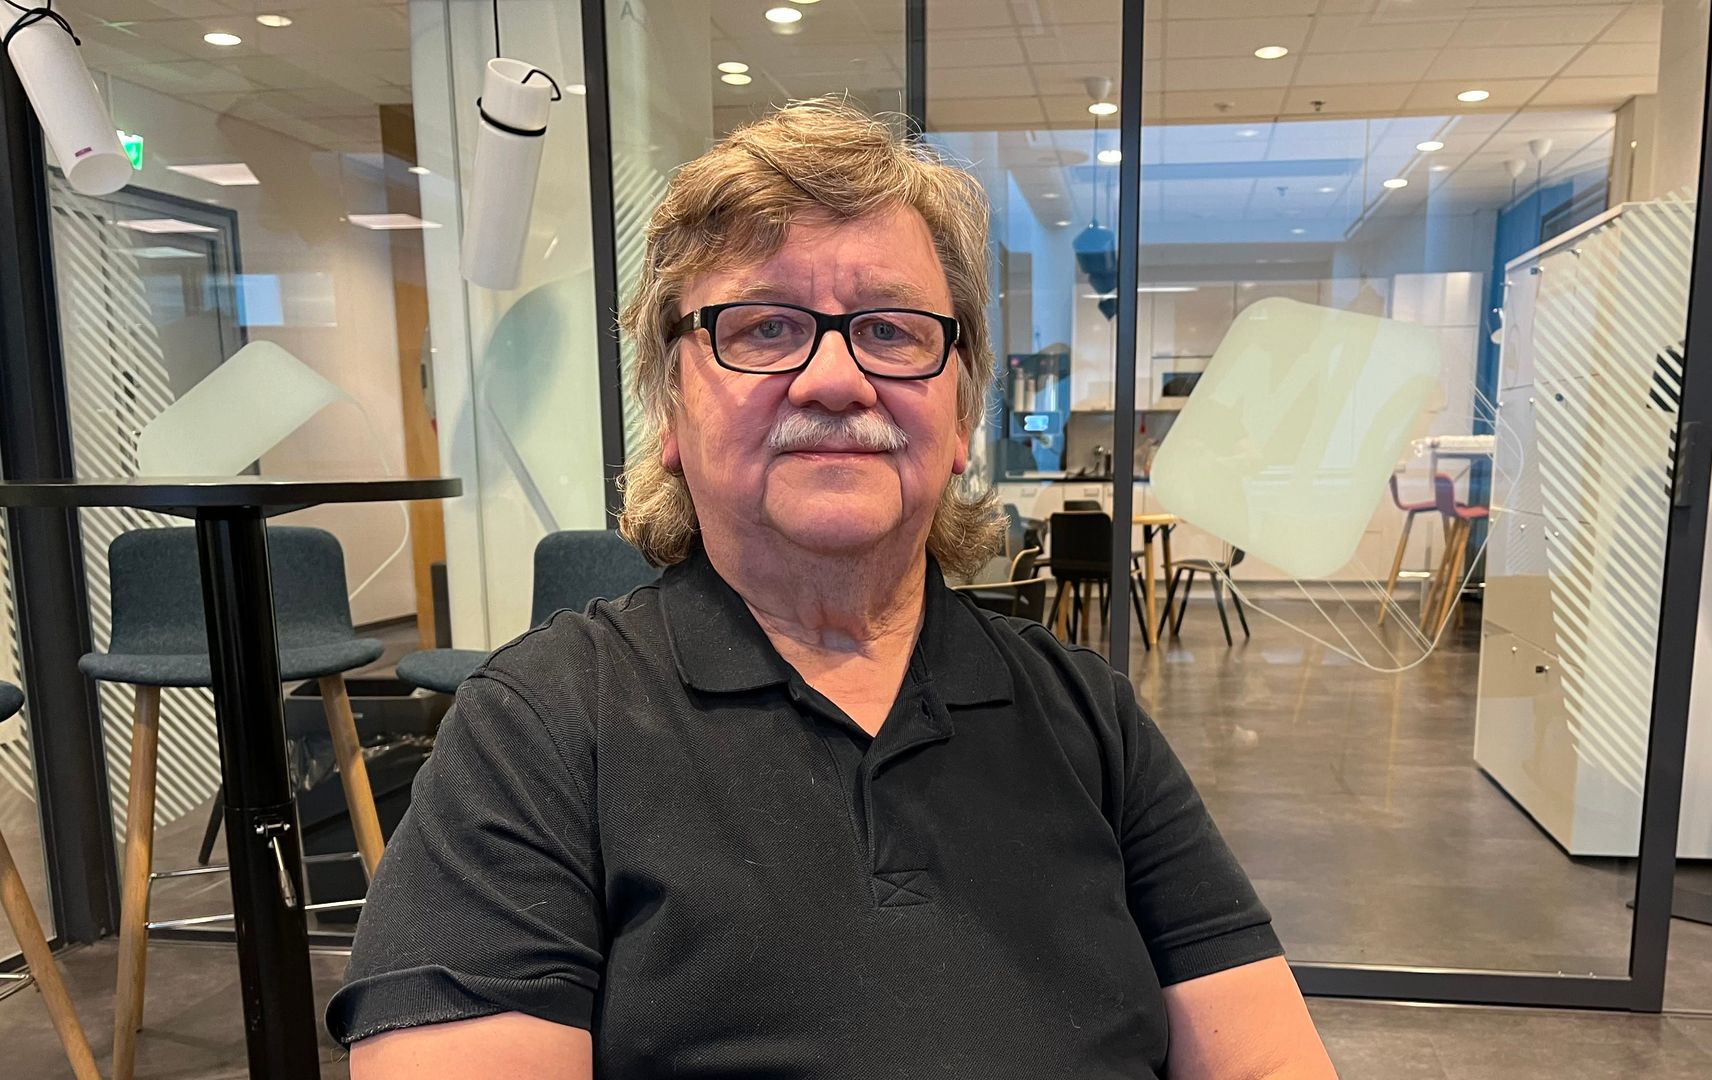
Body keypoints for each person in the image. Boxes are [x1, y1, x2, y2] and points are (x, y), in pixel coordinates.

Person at [328, 98, 1335, 1079]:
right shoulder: (539, 730)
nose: (836, 380)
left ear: (959, 417)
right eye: (764, 328)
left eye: (891, 330)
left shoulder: (1087, 716)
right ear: (670, 411)